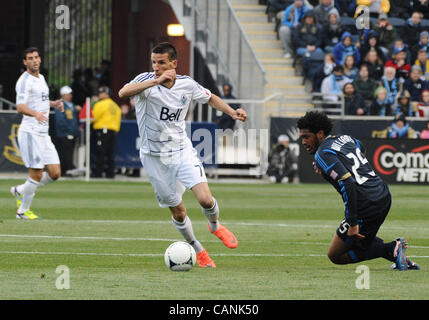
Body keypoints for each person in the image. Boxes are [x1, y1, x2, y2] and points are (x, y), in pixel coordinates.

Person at [118, 42, 247, 268]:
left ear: (174, 63)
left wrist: (232, 112)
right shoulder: (145, 81)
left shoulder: (187, 84)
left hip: (180, 150)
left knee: (206, 199)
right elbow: (122, 92)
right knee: (178, 212)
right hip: (154, 158)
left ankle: (215, 226)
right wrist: (155, 81)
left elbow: (210, 98)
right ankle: (198, 250)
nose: (156, 67)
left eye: (161, 63)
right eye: (154, 62)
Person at [297, 111, 419, 270]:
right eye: (302, 138)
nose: (304, 142)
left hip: (365, 204)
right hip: (382, 194)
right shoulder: (345, 138)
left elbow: (347, 182)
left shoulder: (322, 154)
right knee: (362, 242)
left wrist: (353, 222)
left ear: (320, 133)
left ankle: (393, 247)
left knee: (335, 255)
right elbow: (360, 147)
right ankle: (395, 253)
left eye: (306, 137)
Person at [10, 47, 64, 220]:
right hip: (30, 132)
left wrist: (54, 104)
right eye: (30, 58)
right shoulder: (24, 81)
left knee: (55, 173)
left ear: (40, 59)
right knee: (37, 173)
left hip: (43, 133)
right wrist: (36, 114)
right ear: (25, 62)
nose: (34, 60)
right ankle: (22, 211)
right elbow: (20, 106)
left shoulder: (40, 78)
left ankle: (20, 190)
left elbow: (39, 101)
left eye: (36, 57)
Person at [91, 86, 122, 178]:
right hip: (112, 131)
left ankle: (98, 173)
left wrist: (93, 104)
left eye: (102, 93)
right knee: (110, 153)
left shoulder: (100, 104)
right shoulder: (115, 105)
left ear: (106, 94)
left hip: (102, 129)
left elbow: (93, 116)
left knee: (100, 152)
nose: (99, 94)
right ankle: (110, 173)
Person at [55, 86, 81, 176]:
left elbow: (73, 120)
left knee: (70, 152)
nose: (70, 96)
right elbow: (60, 120)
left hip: (72, 132)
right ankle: (63, 171)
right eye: (68, 94)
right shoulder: (60, 104)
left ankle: (67, 170)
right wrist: (68, 130)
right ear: (63, 95)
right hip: (65, 133)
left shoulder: (72, 105)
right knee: (64, 152)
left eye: (71, 94)